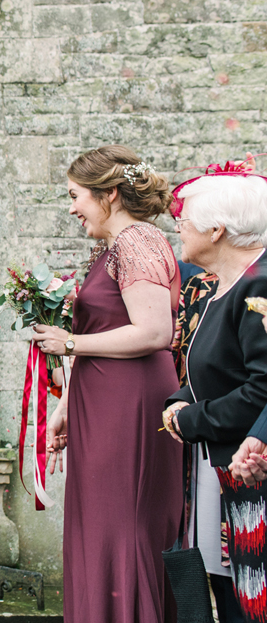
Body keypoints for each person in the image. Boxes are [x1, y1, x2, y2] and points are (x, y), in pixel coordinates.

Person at [32, 145, 182, 623]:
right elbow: (106, 332)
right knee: (97, 528)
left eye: (76, 196)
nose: (72, 207)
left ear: (110, 194)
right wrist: (65, 408)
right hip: (102, 403)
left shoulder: (137, 242)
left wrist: (70, 344)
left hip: (131, 404)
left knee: (122, 527)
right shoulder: (112, 247)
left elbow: (155, 331)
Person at [162, 172, 267, 621]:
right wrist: (177, 400)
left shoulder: (258, 285)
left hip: (253, 467)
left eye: (184, 221)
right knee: (229, 588)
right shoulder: (219, 286)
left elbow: (262, 386)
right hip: (222, 467)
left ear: (216, 230)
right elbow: (208, 367)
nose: (177, 228)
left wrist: (191, 421)